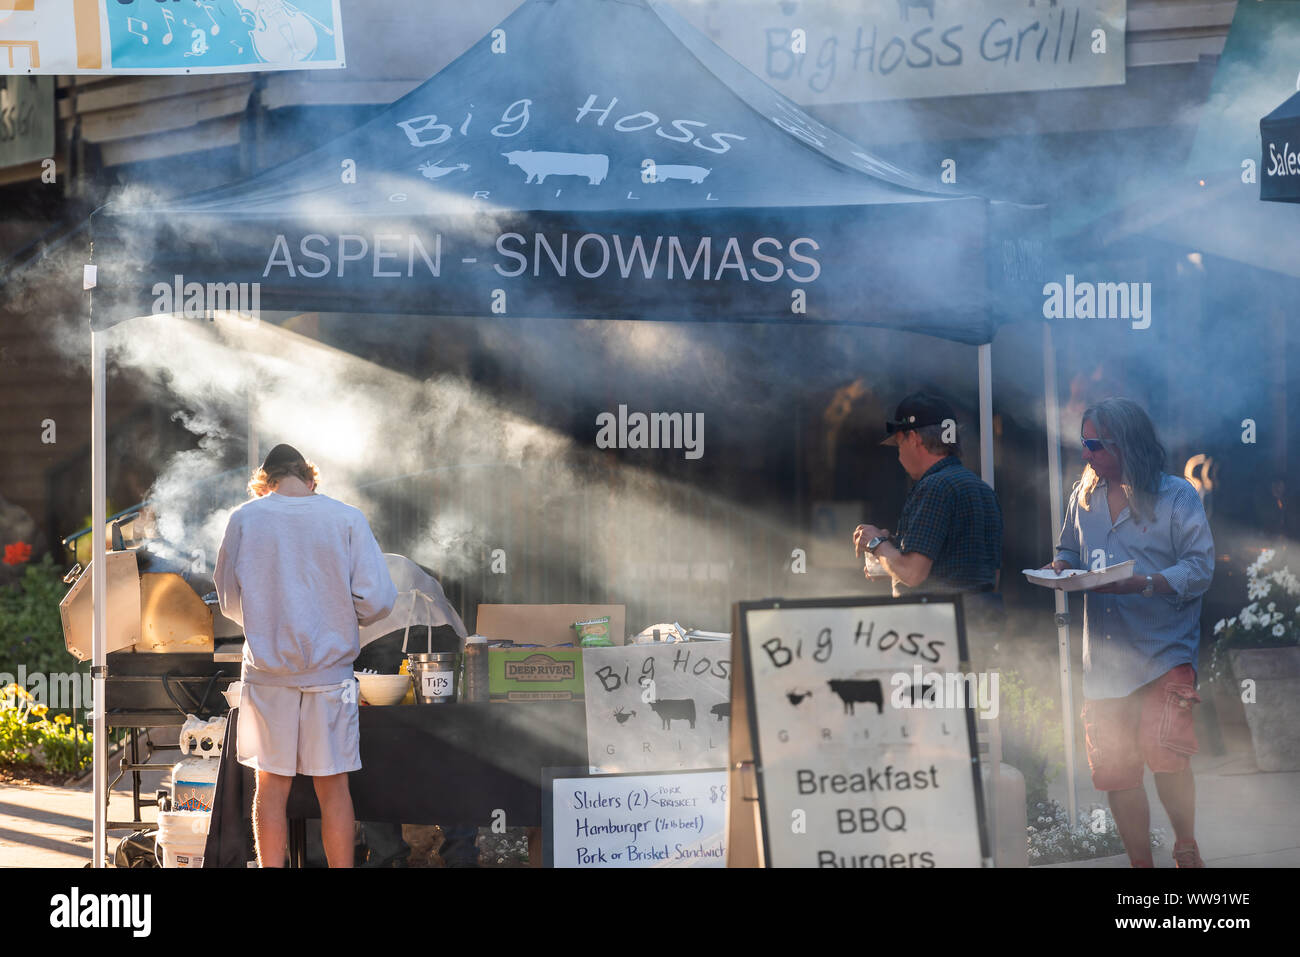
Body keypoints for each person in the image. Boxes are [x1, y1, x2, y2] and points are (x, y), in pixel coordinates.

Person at [1047, 398, 1214, 868]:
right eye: (1083, 443)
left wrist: (1143, 583)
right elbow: (1067, 549)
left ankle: (1185, 844)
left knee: (1168, 759)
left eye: (1095, 444)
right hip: (1103, 661)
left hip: (1164, 652)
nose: (1086, 454)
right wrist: (1059, 569)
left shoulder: (1178, 496)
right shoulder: (1084, 495)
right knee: (1117, 773)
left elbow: (1200, 569)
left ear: (1128, 445)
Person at [214, 444, 396, 868]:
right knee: (333, 788)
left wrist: (266, 621)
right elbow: (377, 601)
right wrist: (337, 614)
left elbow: (227, 599)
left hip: (267, 673)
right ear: (310, 479)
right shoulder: (347, 518)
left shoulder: (244, 518)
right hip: (330, 675)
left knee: (271, 787)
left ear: (266, 484)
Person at [852, 392, 1005, 649]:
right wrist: (890, 557)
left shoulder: (934, 488)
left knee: (927, 692)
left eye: (899, 444)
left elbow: (913, 574)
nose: (899, 455)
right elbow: (990, 574)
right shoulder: (981, 489)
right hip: (982, 631)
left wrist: (877, 543)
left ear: (913, 438)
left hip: (937, 640)